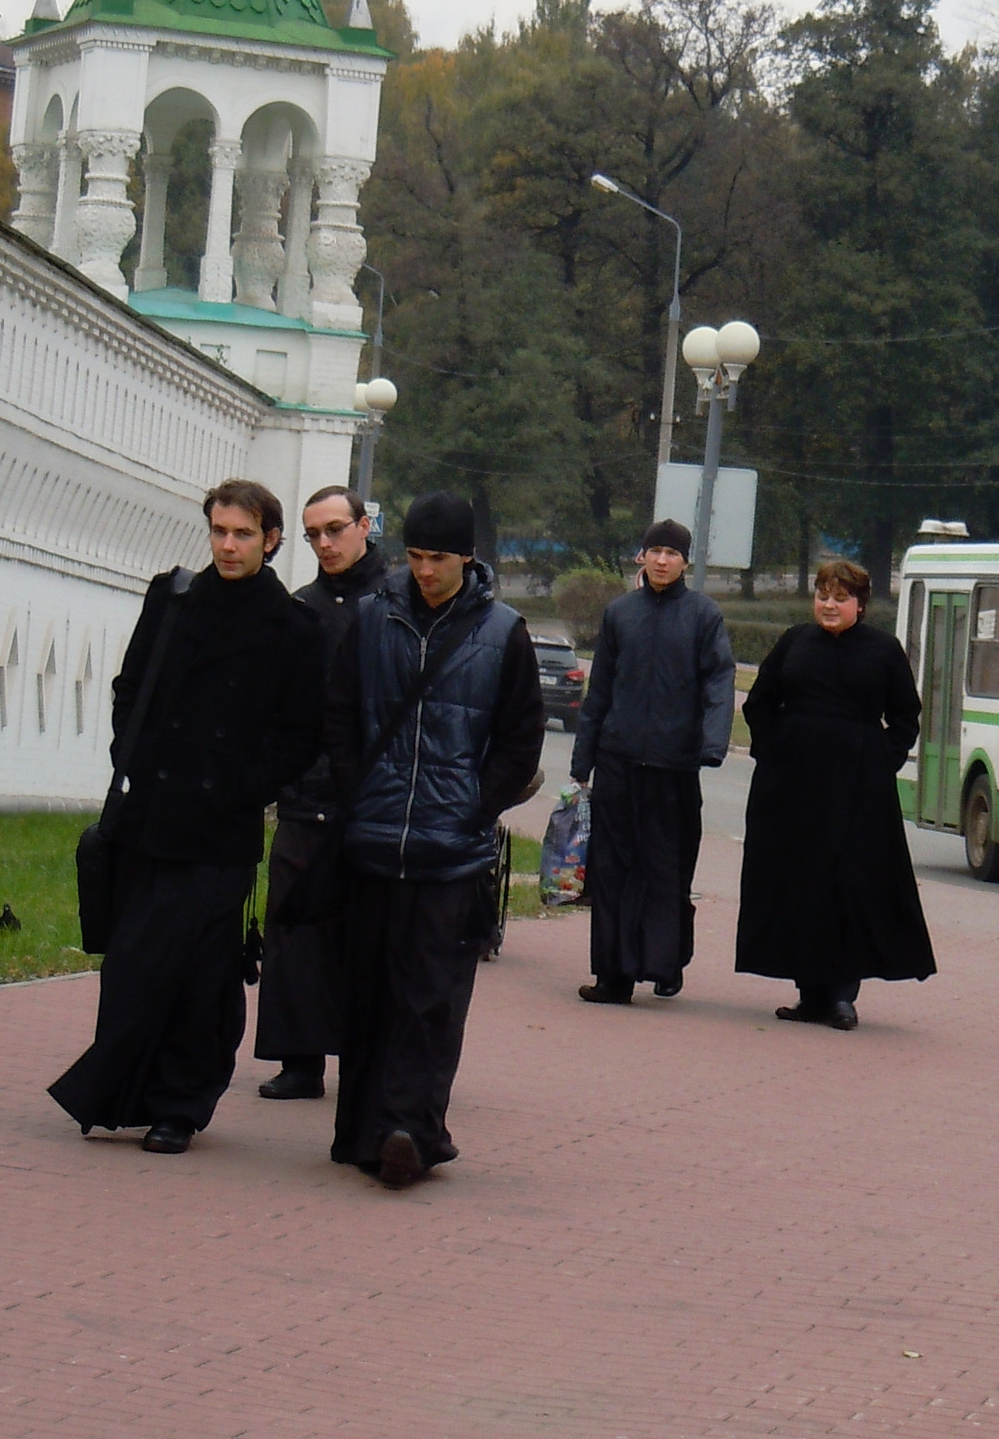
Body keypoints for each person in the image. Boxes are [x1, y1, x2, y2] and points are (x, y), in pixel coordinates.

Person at [49, 480, 324, 1152]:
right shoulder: (170, 599)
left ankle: (180, 1104)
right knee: (134, 963)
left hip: (219, 831)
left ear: (271, 539)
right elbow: (129, 687)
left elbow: (301, 734)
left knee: (202, 975)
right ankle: (121, 1090)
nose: (227, 546)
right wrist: (134, 754)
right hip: (149, 817)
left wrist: (240, 786)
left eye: (242, 534)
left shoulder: (293, 628)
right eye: (218, 531)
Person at [325, 492, 544, 1188]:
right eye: (416, 556)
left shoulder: (503, 632)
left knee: (429, 999)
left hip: (451, 853)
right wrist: (355, 787)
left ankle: (409, 1132)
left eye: (438, 558)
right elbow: (336, 714)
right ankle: (359, 1131)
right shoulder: (370, 620)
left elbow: (520, 741)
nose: (425, 571)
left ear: (467, 558)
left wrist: (476, 808)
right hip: (371, 841)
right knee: (366, 996)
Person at [736, 557, 935, 1030]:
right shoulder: (794, 642)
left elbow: (907, 717)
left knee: (849, 885)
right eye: (823, 596)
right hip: (793, 789)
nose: (829, 605)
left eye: (840, 598)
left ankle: (843, 996)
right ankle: (810, 995)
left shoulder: (883, 651)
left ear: (860, 605)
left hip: (857, 792)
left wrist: (878, 761)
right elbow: (759, 701)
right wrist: (772, 751)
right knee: (800, 885)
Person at [255, 486, 387, 1102]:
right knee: (294, 925)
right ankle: (299, 1058)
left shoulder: (395, 603)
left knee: (372, 933)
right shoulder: (299, 608)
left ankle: (373, 1054)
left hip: (378, 797)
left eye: (336, 529)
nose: (326, 543)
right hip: (308, 795)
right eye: (314, 534)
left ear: (365, 525)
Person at [569, 519, 735, 1005]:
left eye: (672, 552)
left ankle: (665, 964)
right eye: (654, 550)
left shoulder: (704, 616)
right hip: (618, 762)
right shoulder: (620, 614)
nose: (662, 560)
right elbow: (599, 691)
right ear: (642, 557)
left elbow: (718, 683)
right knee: (611, 871)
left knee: (667, 870)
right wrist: (583, 760)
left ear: (685, 561)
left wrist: (712, 743)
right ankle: (613, 975)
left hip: (674, 767)